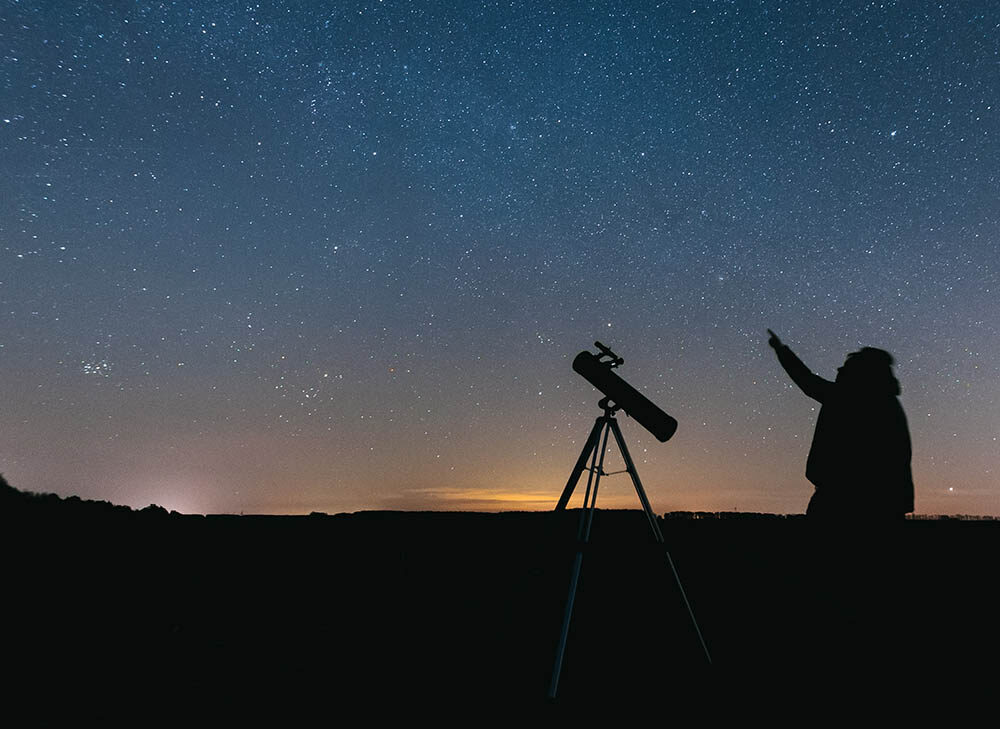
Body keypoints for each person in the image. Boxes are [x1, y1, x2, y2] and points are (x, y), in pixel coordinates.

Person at [767, 329, 914, 520]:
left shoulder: (848, 397)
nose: (839, 370)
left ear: (862, 372)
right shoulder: (887, 403)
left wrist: (781, 350)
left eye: (846, 367)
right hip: (883, 502)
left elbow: (807, 381)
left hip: (839, 498)